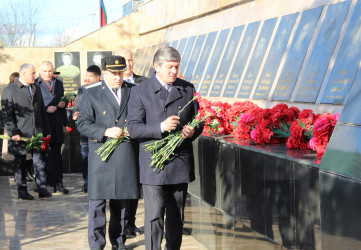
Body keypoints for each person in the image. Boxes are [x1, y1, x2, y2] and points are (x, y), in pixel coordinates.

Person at [126, 46, 203, 250]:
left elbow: (198, 121)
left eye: (177, 67)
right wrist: (161, 127)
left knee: (176, 215)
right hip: (154, 164)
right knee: (154, 215)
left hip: (179, 162)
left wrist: (191, 130)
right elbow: (133, 128)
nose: (174, 72)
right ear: (156, 66)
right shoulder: (140, 91)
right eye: (170, 67)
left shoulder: (188, 89)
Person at [77, 56, 139, 250]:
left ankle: (118, 242)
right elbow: (83, 123)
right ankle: (96, 244)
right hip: (101, 155)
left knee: (121, 202)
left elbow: (140, 117)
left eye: (120, 73)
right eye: (113, 73)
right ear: (104, 73)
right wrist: (104, 131)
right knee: (97, 204)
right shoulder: (92, 93)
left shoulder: (133, 91)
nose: (118, 77)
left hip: (124, 153)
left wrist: (134, 129)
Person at [1, 63, 52, 200]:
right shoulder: (10, 90)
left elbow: (41, 111)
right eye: (33, 73)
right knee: (21, 163)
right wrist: (13, 132)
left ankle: (42, 188)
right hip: (20, 135)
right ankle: (22, 190)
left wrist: (46, 131)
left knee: (39, 161)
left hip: (37, 134)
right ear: (23, 74)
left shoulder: (36, 88)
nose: (35, 76)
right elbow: (7, 114)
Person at [115, 48, 148, 238]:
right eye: (124, 60)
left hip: (139, 141)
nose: (128, 63)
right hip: (119, 141)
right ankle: (121, 223)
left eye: (130, 60)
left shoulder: (144, 83)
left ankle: (131, 222)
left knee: (136, 184)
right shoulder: (113, 84)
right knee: (123, 185)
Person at [35, 61, 69, 194]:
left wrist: (65, 122)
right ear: (40, 72)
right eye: (45, 71)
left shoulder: (59, 83)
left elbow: (63, 101)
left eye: (50, 71)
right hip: (42, 124)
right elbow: (32, 106)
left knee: (57, 155)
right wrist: (45, 108)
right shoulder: (35, 85)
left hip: (56, 123)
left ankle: (58, 182)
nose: (48, 74)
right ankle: (42, 184)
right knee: (42, 155)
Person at [72, 65, 101, 193]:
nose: (87, 79)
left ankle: (99, 182)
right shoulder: (83, 89)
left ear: (98, 77)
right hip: (86, 133)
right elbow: (76, 106)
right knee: (85, 157)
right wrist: (75, 114)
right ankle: (87, 182)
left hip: (101, 130)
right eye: (86, 76)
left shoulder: (104, 89)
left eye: (90, 76)